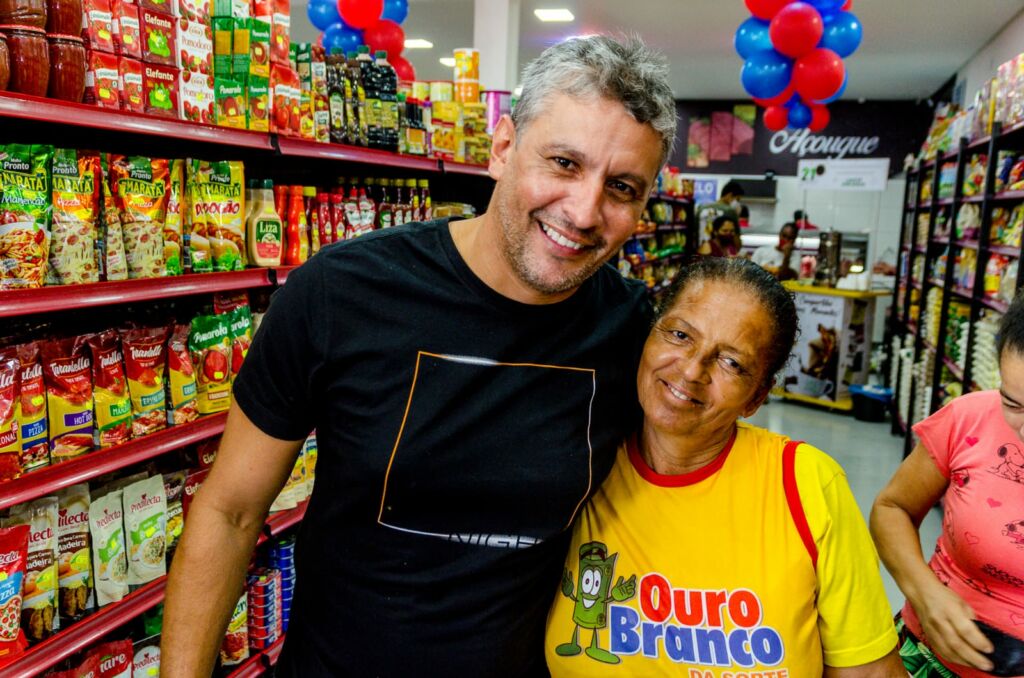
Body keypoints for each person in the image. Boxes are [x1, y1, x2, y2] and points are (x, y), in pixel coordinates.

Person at [161, 35, 677, 677]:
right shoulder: (342, 291)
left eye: (622, 187)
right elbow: (230, 511)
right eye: (565, 163)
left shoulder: (635, 333)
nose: (583, 210)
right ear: (503, 148)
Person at [545, 257, 904, 676]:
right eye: (680, 335)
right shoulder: (577, 465)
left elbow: (871, 671)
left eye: (731, 363)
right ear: (648, 336)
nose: (692, 370)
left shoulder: (806, 484)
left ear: (756, 397)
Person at [871, 295, 1024, 678]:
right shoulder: (970, 420)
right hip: (927, 661)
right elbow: (893, 508)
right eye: (1014, 404)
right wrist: (925, 594)